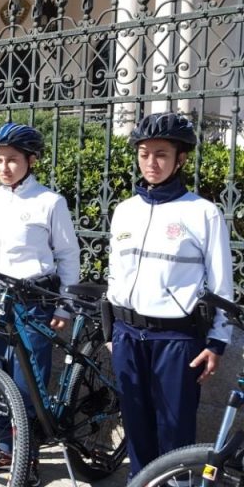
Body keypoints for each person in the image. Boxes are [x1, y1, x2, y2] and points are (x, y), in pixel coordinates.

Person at [108, 112, 233, 479]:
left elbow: (222, 285)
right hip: (128, 336)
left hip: (177, 339)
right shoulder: (124, 211)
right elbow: (116, 276)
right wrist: (111, 333)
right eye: (144, 154)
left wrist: (218, 343)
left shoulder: (203, 213)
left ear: (180, 159)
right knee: (136, 429)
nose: (151, 163)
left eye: (161, 154)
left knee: (175, 434)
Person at [0, 122, 80, 485]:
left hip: (33, 301)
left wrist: (65, 305)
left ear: (31, 160)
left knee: (28, 378)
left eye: (13, 160)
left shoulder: (50, 202)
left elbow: (68, 256)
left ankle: (26, 454)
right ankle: (4, 446)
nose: (4, 167)